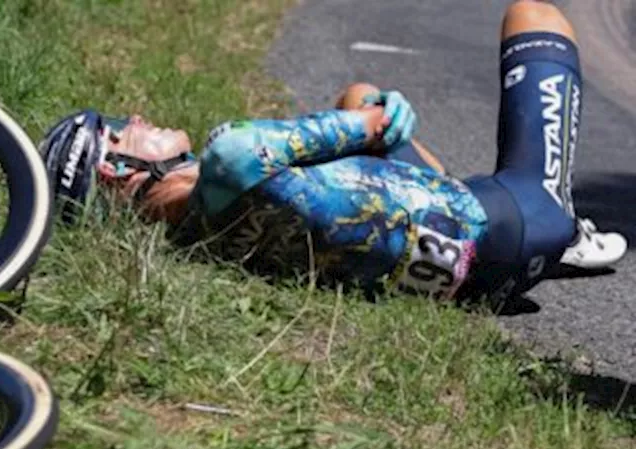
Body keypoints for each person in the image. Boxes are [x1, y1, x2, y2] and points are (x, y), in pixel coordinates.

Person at [39, 0, 627, 308]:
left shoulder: (194, 242)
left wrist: (365, 113)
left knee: (352, 96)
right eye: (118, 131)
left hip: (481, 288)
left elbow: (355, 126)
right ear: (113, 174)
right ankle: (566, 227)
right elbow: (380, 120)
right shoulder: (231, 155)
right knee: (534, 15)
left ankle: (540, 231)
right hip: (523, 222)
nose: (136, 119)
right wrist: (384, 110)